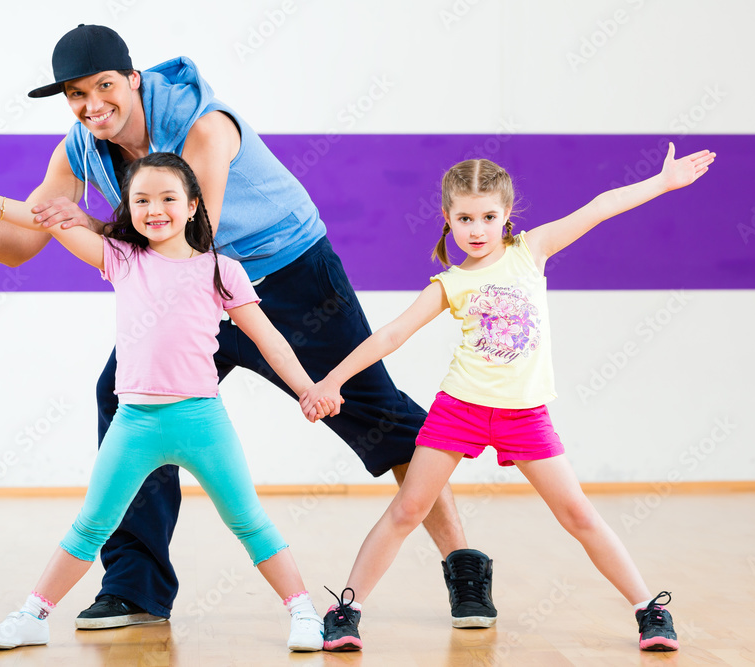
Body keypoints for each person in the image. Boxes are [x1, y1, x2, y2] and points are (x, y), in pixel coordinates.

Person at [0, 24, 494, 630]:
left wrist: (67, 218)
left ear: (133, 79)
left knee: (377, 413)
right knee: (127, 399)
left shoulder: (204, 125)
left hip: (289, 277)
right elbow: (20, 245)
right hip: (183, 294)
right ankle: (135, 589)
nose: (92, 105)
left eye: (105, 86)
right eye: (76, 94)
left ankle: (464, 566)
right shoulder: (81, 147)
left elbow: (192, 241)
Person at [299, 146, 716, 652]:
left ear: (507, 217)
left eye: (489, 217)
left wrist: (662, 183)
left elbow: (600, 205)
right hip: (460, 410)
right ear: (448, 219)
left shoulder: (531, 251)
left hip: (525, 416)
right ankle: (346, 611)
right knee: (409, 507)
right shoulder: (451, 282)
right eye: (465, 218)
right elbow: (390, 335)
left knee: (578, 514)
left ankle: (650, 611)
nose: (477, 229)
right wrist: (331, 382)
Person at [0, 151, 335, 652]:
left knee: (248, 521)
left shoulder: (223, 270)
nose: (156, 209)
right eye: (141, 200)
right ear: (127, 209)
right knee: (90, 526)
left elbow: (270, 340)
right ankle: (32, 615)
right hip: (133, 423)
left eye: (169, 198)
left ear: (194, 205)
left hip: (201, 421)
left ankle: (303, 613)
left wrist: (307, 388)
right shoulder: (121, 257)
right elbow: (47, 217)